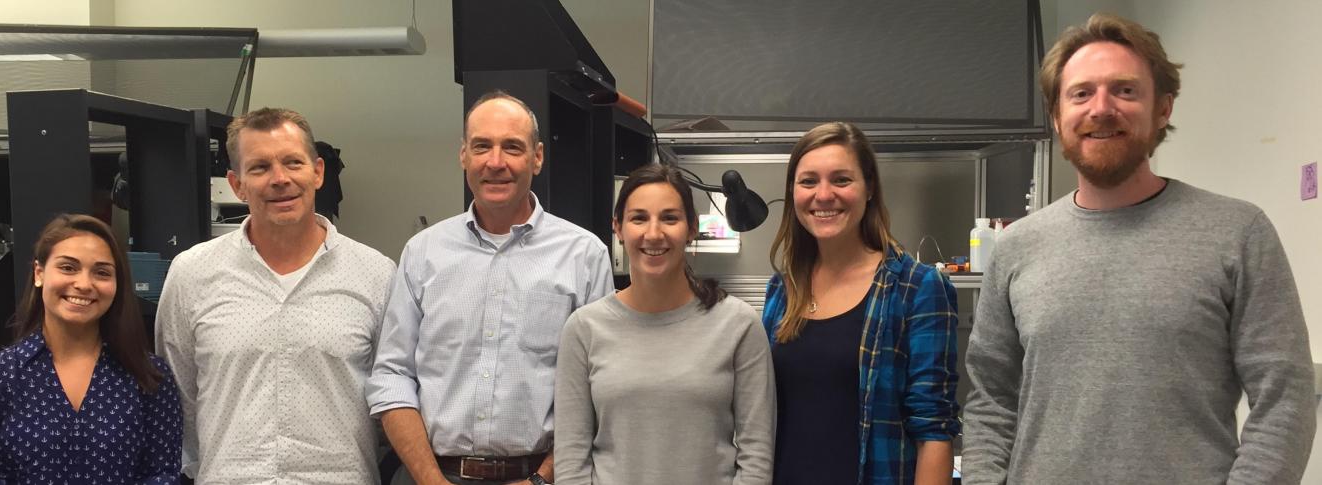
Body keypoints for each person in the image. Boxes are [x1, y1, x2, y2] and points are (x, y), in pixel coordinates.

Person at [963, 13, 1316, 484]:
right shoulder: (1017, 246)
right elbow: (990, 397)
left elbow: (1284, 397)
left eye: (1125, 90)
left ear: (1163, 108)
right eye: (1081, 93)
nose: (1101, 108)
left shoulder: (1238, 232)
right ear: (1056, 116)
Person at [367, 91, 613, 485]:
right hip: (430, 475)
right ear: (463, 154)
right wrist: (430, 480)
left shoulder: (583, 255)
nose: (495, 162)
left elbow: (599, 386)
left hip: (540, 479)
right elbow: (392, 375)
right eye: (482, 146)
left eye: (512, 147)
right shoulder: (422, 253)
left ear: (537, 157)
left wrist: (542, 478)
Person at [157, 107, 396, 484]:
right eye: (260, 168)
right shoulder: (192, 274)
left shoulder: (375, 274)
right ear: (236, 184)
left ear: (318, 172)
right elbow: (179, 399)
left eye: (293, 163)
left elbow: (391, 400)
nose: (280, 179)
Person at [761, 122, 960, 484]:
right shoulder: (782, 289)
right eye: (808, 181)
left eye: (841, 180)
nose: (823, 195)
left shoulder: (917, 288)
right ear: (793, 193)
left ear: (869, 188)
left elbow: (934, 428)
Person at [555, 164, 776, 485]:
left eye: (670, 218)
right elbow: (571, 463)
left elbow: (756, 457)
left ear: (691, 228)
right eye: (639, 218)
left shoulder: (738, 324)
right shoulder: (584, 329)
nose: (654, 233)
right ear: (618, 227)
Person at [0, 214, 181, 483]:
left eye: (102, 272)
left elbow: (161, 475)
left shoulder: (149, 377)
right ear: (39, 273)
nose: (84, 284)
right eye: (68, 268)